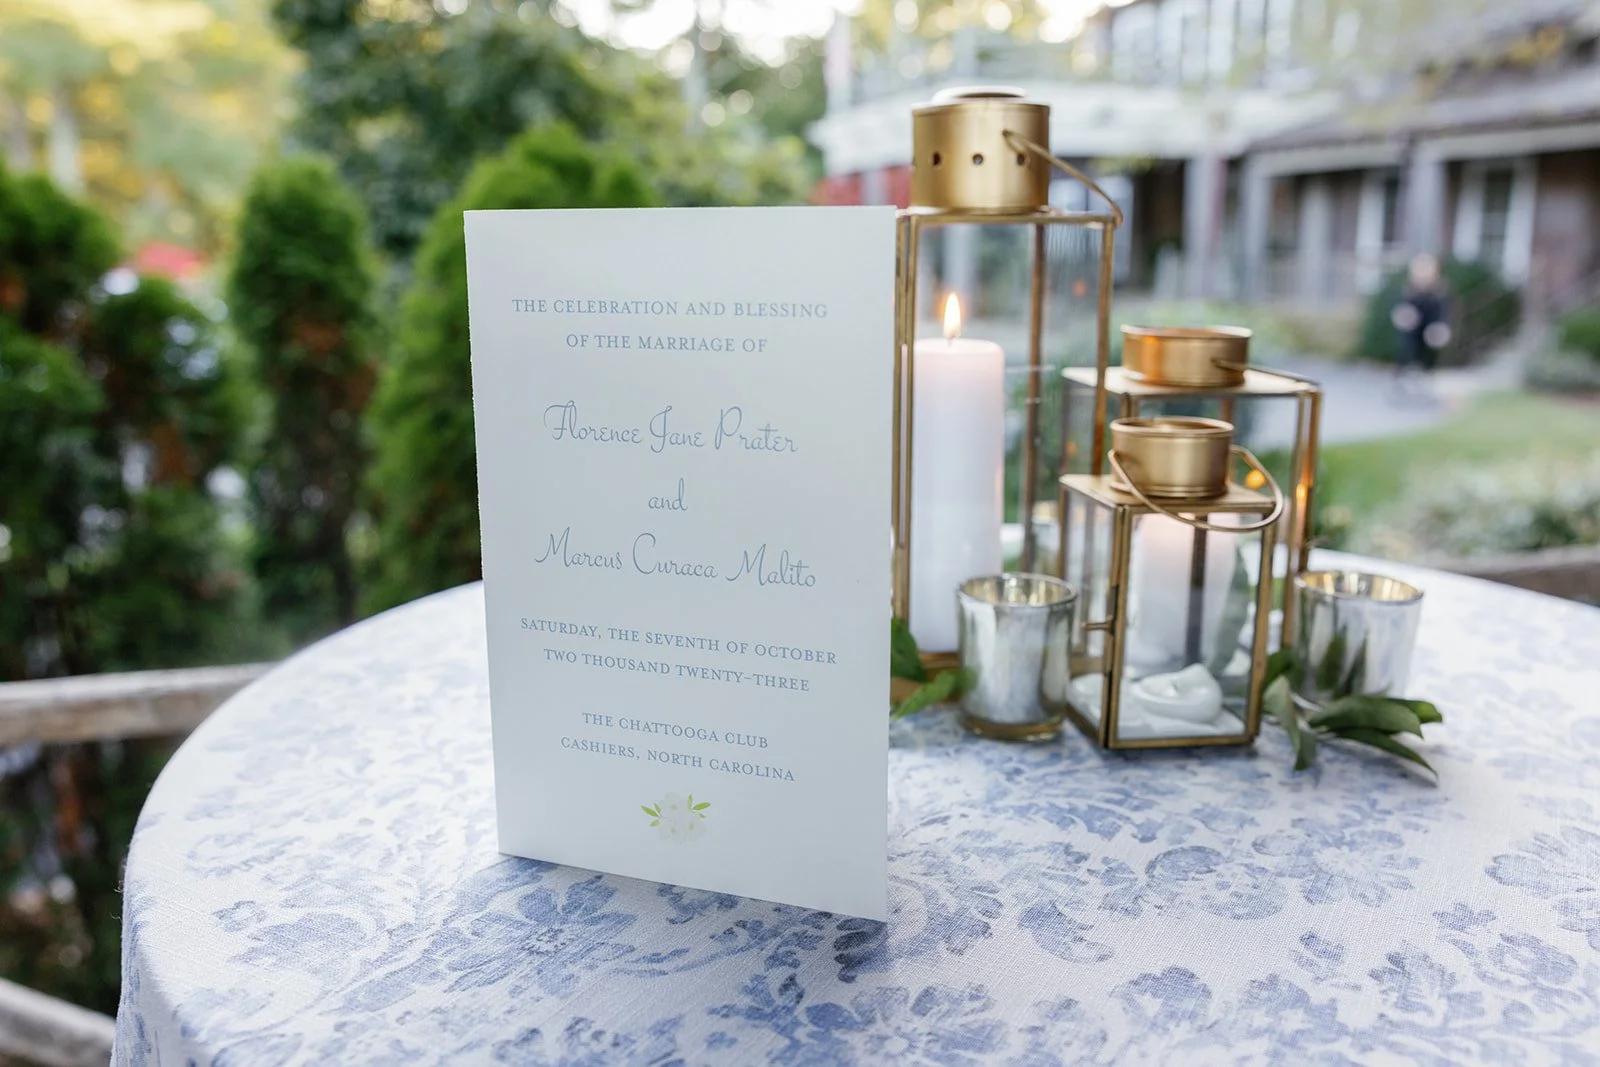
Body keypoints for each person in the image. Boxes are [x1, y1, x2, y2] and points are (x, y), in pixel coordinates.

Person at [1390, 254, 1452, 395]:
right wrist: (1404, 316)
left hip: (1430, 330)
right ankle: (1403, 377)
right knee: (1407, 345)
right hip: (1412, 329)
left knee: (1431, 345)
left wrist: (1441, 328)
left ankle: (1426, 375)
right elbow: (1400, 309)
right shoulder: (1409, 291)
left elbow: (1442, 314)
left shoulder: (1439, 293)